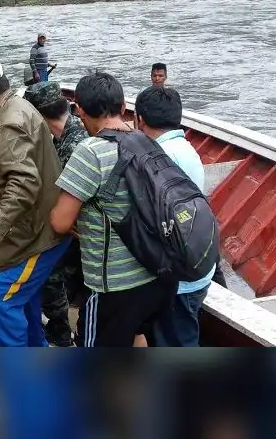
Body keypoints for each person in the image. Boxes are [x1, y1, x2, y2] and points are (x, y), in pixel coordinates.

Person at [50, 71, 177, 347]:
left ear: (79, 110)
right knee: (136, 336)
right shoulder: (148, 143)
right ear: (123, 108)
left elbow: (60, 222)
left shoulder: (90, 151)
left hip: (112, 287)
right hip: (156, 275)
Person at [0, 56, 70, 347]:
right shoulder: (19, 106)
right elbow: (25, 165)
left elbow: (24, 182)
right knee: (23, 297)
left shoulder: (8, 122)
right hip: (44, 224)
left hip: (37, 235)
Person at [134, 86, 213, 347]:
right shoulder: (185, 148)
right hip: (198, 263)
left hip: (178, 278)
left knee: (176, 341)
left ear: (140, 120)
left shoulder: (159, 157)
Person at [22, 81, 89, 347]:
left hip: (80, 230)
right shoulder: (62, 135)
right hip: (73, 225)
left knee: (51, 274)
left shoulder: (75, 146)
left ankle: (63, 332)